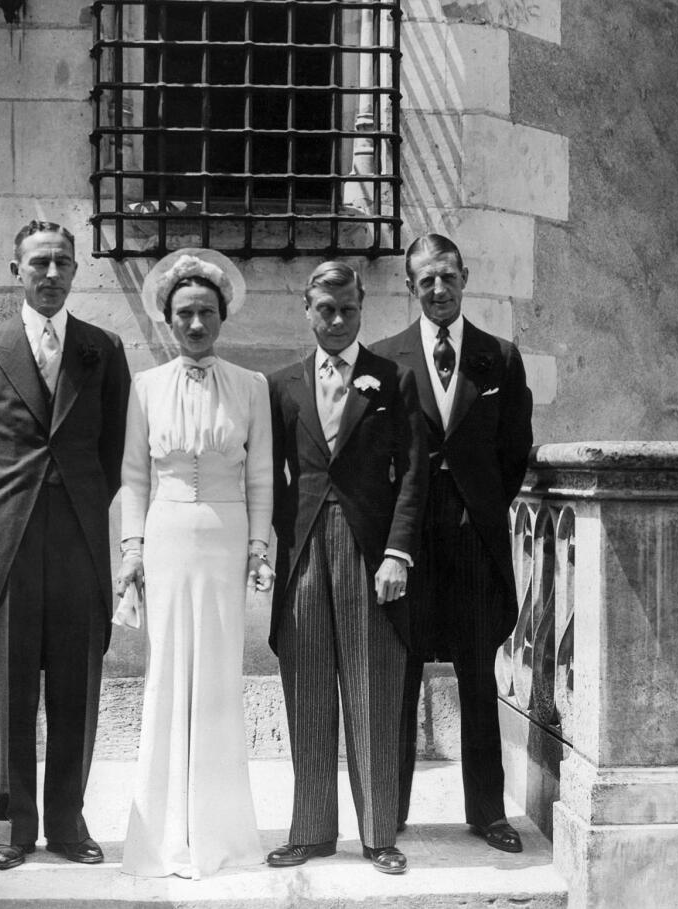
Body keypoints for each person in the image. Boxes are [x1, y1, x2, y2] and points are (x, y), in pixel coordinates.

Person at [0, 220, 131, 870]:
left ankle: (69, 821)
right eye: (38, 263)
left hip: (79, 538)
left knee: (77, 685)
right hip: (12, 543)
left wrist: (77, 501)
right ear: (16, 268)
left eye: (62, 263)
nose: (50, 274)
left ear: (77, 270)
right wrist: (0, 508)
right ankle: (13, 825)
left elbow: (111, 450)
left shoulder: (101, 348)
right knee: (13, 688)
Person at [115, 248, 274, 879]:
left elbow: (261, 475)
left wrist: (259, 548)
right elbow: (133, 475)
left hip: (228, 536)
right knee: (167, 675)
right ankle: (161, 835)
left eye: (207, 312)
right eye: (185, 313)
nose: (197, 325)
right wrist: (132, 551)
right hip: (168, 536)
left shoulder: (251, 386)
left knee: (217, 679)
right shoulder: (146, 387)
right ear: (166, 320)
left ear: (222, 316)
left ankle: (220, 834)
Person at [372, 233, 533, 854]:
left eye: (447, 277)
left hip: (472, 541)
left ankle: (488, 812)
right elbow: (380, 454)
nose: (438, 289)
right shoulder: (385, 359)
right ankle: (390, 809)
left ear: (464, 277)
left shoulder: (500, 357)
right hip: (410, 541)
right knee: (400, 675)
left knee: (476, 674)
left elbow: (513, 452)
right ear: (409, 287)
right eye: (424, 280)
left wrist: (477, 505)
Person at [265, 261, 427, 875]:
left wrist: (397, 552)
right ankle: (311, 830)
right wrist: (281, 540)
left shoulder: (393, 379)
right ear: (307, 310)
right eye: (325, 309)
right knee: (306, 686)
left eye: (348, 310)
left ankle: (379, 833)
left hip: (370, 551)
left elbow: (413, 476)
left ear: (363, 310)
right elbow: (271, 476)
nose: (336, 320)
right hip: (304, 549)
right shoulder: (281, 385)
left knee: (372, 686)